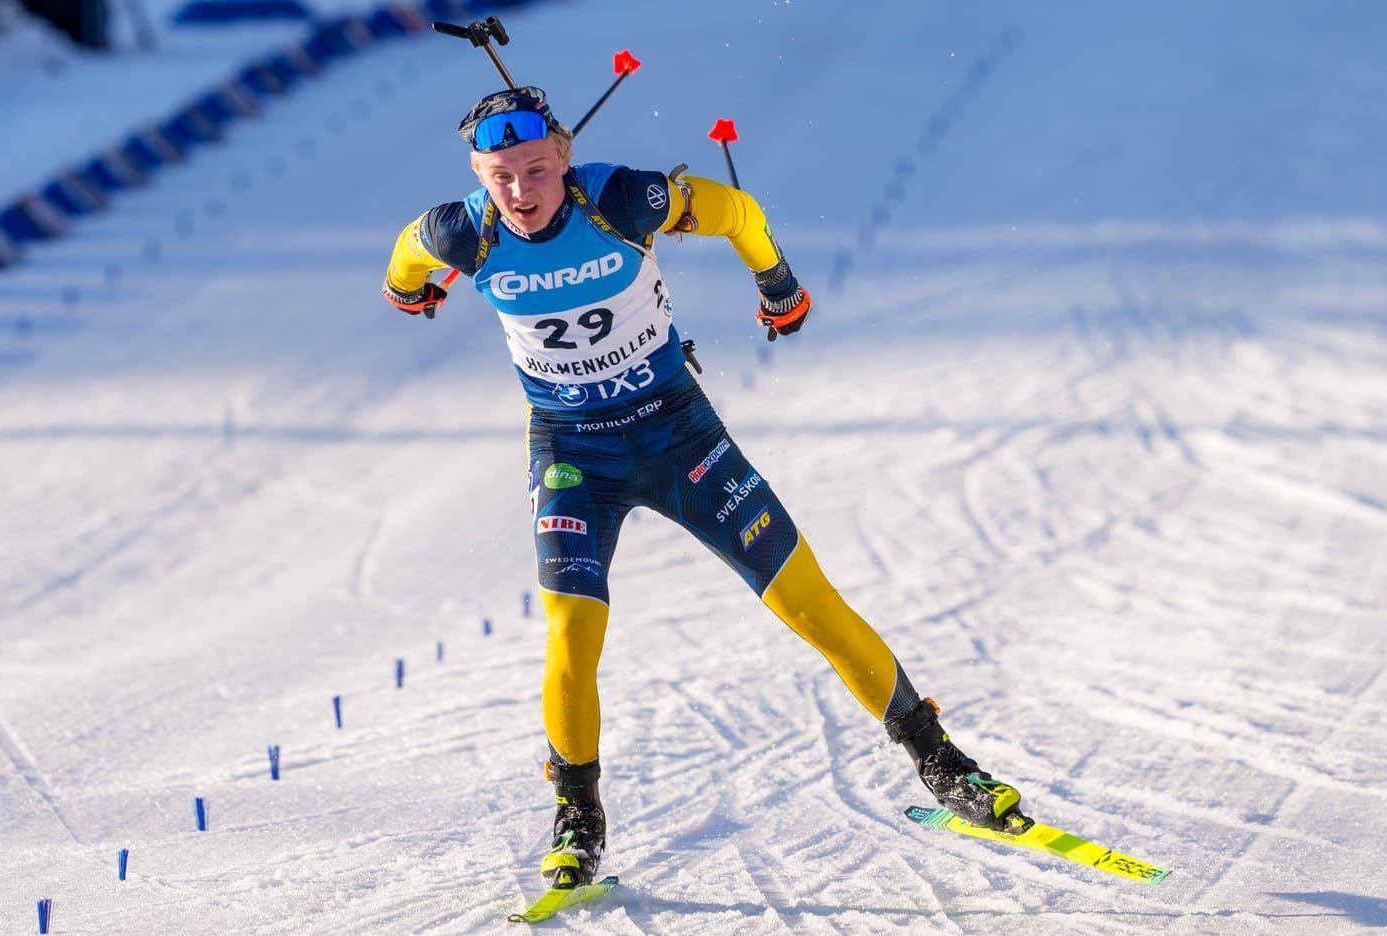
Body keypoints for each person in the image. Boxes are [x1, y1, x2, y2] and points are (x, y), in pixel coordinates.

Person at [382, 87, 1028, 889]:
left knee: (807, 603)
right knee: (571, 634)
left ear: (565, 158)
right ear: (479, 175)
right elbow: (404, 262)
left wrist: (779, 285)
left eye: (537, 169)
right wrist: (413, 290)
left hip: (678, 435)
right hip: (573, 454)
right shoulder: (460, 229)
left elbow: (737, 211)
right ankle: (578, 819)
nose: (519, 192)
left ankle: (943, 765)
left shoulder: (622, 199)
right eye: (500, 175)